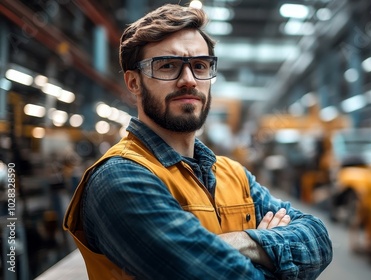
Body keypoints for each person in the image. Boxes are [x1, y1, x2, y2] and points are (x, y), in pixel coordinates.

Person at [63, 3, 333, 280]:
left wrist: (241, 240)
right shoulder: (120, 178)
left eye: (200, 66)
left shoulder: (234, 175)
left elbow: (319, 242)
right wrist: (268, 250)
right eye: (167, 66)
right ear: (134, 83)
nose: (189, 80)